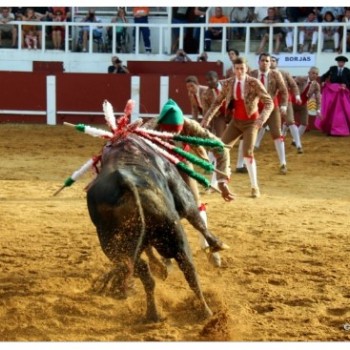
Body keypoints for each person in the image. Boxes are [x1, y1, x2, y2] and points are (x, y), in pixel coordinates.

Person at [145, 99, 234, 267]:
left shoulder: (190, 125)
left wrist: (222, 182)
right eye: (169, 131)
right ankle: (163, 252)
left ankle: (208, 245)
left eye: (176, 131)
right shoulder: (150, 127)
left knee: (196, 204)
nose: (173, 136)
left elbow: (220, 148)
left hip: (182, 162)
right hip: (157, 166)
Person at [201, 57, 274, 198]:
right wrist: (206, 118)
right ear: (233, 69)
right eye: (237, 69)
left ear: (246, 69)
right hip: (236, 121)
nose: (239, 71)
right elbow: (217, 102)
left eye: (242, 68)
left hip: (251, 122)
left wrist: (261, 119)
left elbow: (269, 102)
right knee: (220, 149)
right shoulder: (229, 83)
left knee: (247, 153)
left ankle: (254, 186)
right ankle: (214, 183)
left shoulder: (254, 83)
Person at [250, 53, 289, 175]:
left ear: (270, 62)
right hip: (256, 107)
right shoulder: (252, 74)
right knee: (249, 132)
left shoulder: (275, 74)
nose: (265, 63)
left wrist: (284, 105)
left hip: (272, 106)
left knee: (277, 133)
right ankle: (243, 163)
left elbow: (284, 90)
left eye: (267, 61)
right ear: (258, 62)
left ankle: (283, 163)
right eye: (263, 60)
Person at [269, 56, 304, 154]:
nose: (271, 62)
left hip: (285, 100)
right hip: (270, 101)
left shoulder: (284, 73)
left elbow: (293, 85)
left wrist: (297, 96)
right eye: (269, 60)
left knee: (290, 121)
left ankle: (298, 145)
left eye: (273, 61)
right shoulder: (264, 74)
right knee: (262, 124)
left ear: (277, 63)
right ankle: (256, 144)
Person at [316, 56, 350, 135]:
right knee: (330, 109)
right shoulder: (332, 69)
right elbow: (324, 76)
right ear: (337, 62)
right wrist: (323, 82)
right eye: (339, 62)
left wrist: (345, 85)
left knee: (343, 110)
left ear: (344, 63)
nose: (341, 63)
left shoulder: (348, 71)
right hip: (332, 91)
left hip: (342, 92)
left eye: (342, 62)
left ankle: (343, 129)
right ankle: (330, 129)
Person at [293, 66, 322, 142]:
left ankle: (296, 140)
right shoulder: (300, 78)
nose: (314, 75)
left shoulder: (316, 85)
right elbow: (291, 86)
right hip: (293, 102)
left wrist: (318, 110)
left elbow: (318, 98)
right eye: (313, 73)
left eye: (316, 74)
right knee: (288, 122)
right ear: (308, 73)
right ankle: (282, 135)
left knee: (305, 123)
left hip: (303, 104)